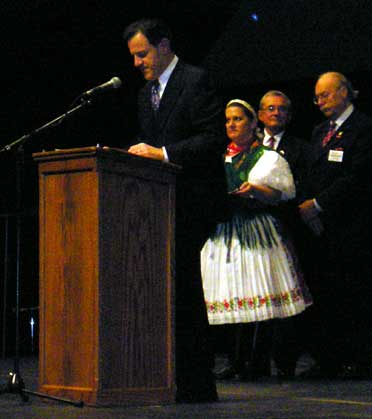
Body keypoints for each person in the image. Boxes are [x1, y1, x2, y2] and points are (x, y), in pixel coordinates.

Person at [123, 18, 226, 403]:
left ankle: (198, 382)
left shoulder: (196, 80)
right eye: (134, 56)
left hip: (194, 199)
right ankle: (170, 376)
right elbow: (148, 141)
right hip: (159, 204)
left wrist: (163, 153)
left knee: (183, 286)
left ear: (163, 45)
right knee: (169, 288)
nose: (137, 63)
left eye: (142, 53)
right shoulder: (145, 93)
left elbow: (212, 138)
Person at [201, 99, 312, 381]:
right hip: (225, 230)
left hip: (256, 229)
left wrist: (256, 190)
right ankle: (236, 360)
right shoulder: (217, 156)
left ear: (253, 123)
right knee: (233, 293)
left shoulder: (266, 157)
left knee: (257, 293)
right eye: (227, 120)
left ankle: (256, 361)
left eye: (238, 119)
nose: (231, 124)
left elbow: (281, 194)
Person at [298, 71, 372, 380]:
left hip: (351, 227)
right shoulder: (320, 131)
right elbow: (309, 174)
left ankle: (359, 360)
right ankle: (328, 359)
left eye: (326, 95)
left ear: (345, 92)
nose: (320, 102)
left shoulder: (365, 128)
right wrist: (308, 208)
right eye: (317, 97)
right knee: (324, 295)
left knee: (352, 295)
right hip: (319, 229)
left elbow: (358, 177)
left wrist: (319, 204)